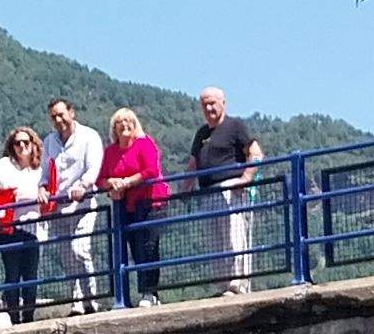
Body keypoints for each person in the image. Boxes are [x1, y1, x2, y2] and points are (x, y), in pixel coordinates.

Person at [186, 85, 265, 292]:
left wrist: (246, 178)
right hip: (208, 191)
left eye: (212, 103)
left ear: (223, 103)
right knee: (215, 242)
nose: (209, 108)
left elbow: (255, 153)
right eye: (204, 104)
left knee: (234, 238)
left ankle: (238, 283)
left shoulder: (235, 126)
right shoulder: (201, 133)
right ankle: (222, 286)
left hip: (230, 189)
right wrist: (184, 190)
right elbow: (193, 163)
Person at [0, 128, 45, 324]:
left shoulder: (40, 169)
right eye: (18, 143)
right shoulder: (5, 165)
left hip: (32, 229)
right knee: (12, 275)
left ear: (33, 144)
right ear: (12, 147)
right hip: (9, 229)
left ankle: (29, 316)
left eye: (26, 142)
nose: (22, 146)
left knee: (31, 275)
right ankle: (14, 317)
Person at [43, 99, 107, 311]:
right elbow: (45, 172)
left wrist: (83, 185)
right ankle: (76, 301)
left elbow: (93, 167)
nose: (58, 120)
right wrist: (42, 188)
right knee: (66, 256)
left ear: (72, 113)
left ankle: (92, 299)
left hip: (83, 203)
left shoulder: (89, 136)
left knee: (79, 249)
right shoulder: (49, 142)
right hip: (58, 207)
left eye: (61, 114)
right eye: (54, 116)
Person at [103, 106, 168, 307]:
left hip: (150, 201)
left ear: (135, 125)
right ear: (114, 128)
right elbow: (101, 178)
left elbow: (151, 170)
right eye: (119, 123)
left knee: (148, 246)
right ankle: (126, 297)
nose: (124, 126)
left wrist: (127, 182)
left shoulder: (144, 144)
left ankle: (150, 292)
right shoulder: (111, 151)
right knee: (131, 246)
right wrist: (111, 184)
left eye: (128, 122)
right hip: (126, 205)